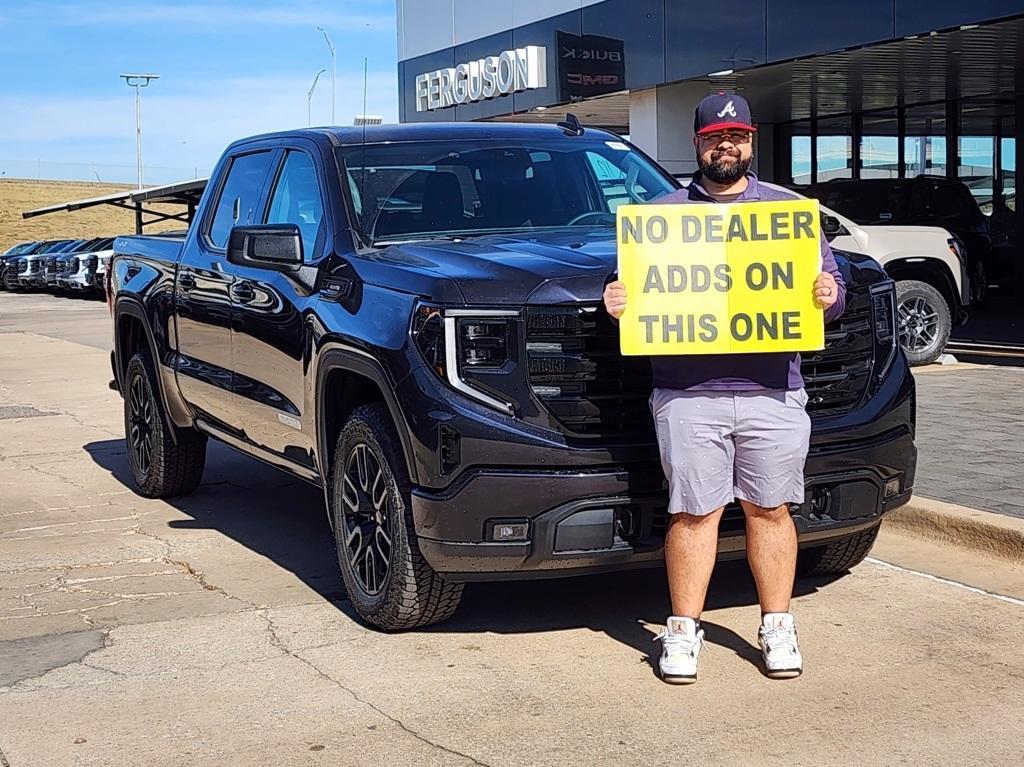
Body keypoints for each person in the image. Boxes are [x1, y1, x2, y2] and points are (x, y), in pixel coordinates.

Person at [603, 93, 846, 683]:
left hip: (773, 391)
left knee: (771, 510)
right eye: (715, 136)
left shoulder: (789, 214)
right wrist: (618, 301)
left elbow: (832, 289)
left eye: (736, 135)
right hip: (687, 393)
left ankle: (777, 625)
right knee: (693, 512)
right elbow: (627, 286)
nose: (726, 145)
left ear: (751, 141)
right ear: (697, 144)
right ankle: (683, 632)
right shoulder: (661, 217)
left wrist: (827, 296)